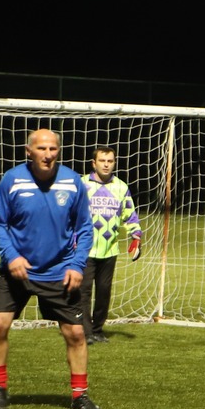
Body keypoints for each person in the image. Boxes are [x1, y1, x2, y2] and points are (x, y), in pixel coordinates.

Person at [0, 128, 97, 409]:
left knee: (76, 334)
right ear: (29, 151)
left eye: (52, 149)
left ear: (58, 151)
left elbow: (85, 228)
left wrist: (77, 264)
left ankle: (80, 395)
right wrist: (11, 256)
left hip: (60, 271)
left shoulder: (72, 182)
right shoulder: (12, 179)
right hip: (17, 270)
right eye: (41, 149)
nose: (47, 154)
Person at [78, 146, 143, 343]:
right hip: (85, 249)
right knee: (83, 291)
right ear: (94, 163)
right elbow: (70, 214)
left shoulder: (121, 187)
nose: (106, 165)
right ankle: (86, 332)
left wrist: (136, 236)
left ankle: (97, 330)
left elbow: (129, 215)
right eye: (102, 161)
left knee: (104, 292)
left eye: (110, 161)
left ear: (114, 163)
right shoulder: (81, 185)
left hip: (110, 249)